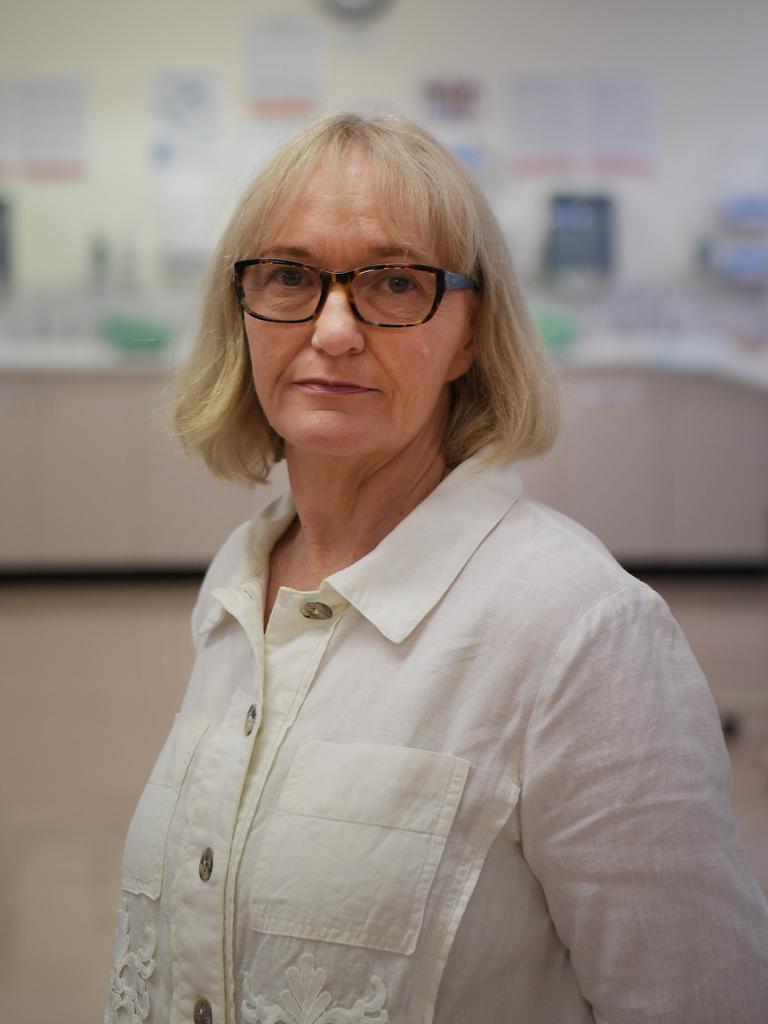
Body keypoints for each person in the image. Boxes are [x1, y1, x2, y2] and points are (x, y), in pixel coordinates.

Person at [105, 113, 768, 1024]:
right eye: (291, 276)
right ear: (243, 309)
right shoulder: (245, 574)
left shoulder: (581, 632)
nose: (333, 330)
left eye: (394, 283)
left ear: (469, 335)